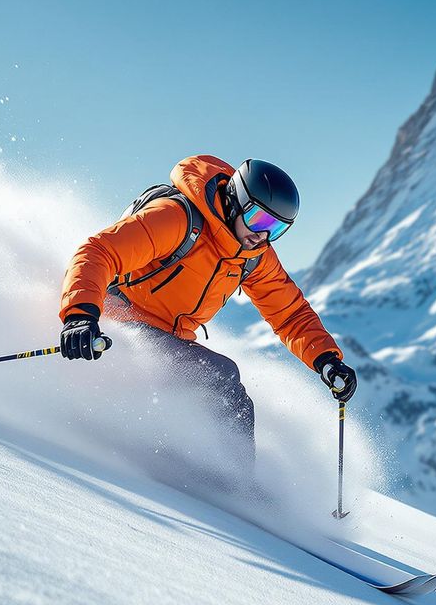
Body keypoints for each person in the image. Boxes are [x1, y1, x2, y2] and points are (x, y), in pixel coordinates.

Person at [58, 155, 357, 468]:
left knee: (205, 386)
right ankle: (236, 487)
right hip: (119, 322)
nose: (263, 235)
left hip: (169, 340)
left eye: (276, 229)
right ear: (235, 201)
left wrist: (326, 360)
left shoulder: (252, 255)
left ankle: (193, 466)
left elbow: (290, 314)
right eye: (258, 219)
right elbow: (98, 251)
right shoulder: (178, 219)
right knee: (221, 378)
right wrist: (80, 315)